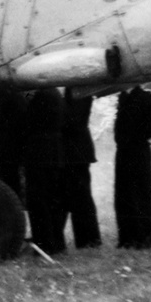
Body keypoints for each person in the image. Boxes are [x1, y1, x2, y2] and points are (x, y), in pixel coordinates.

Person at [114, 84, 151, 249]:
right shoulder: (124, 97)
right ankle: (127, 238)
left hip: (138, 152)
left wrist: (140, 136)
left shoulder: (144, 97)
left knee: (140, 194)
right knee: (124, 195)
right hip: (124, 152)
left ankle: (143, 239)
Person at [20, 88, 66, 253]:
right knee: (53, 199)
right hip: (54, 151)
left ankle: (44, 243)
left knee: (38, 200)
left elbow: (29, 121)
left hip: (39, 152)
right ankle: (57, 242)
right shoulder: (55, 94)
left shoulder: (40, 96)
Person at [59, 88, 100, 248]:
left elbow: (73, 120)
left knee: (81, 198)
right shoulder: (72, 91)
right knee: (70, 197)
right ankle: (86, 239)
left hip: (76, 153)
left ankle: (89, 240)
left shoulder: (79, 91)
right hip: (71, 152)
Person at [0, 91, 28, 204]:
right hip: (9, 144)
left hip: (3, 143)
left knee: (4, 178)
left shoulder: (5, 96)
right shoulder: (17, 97)